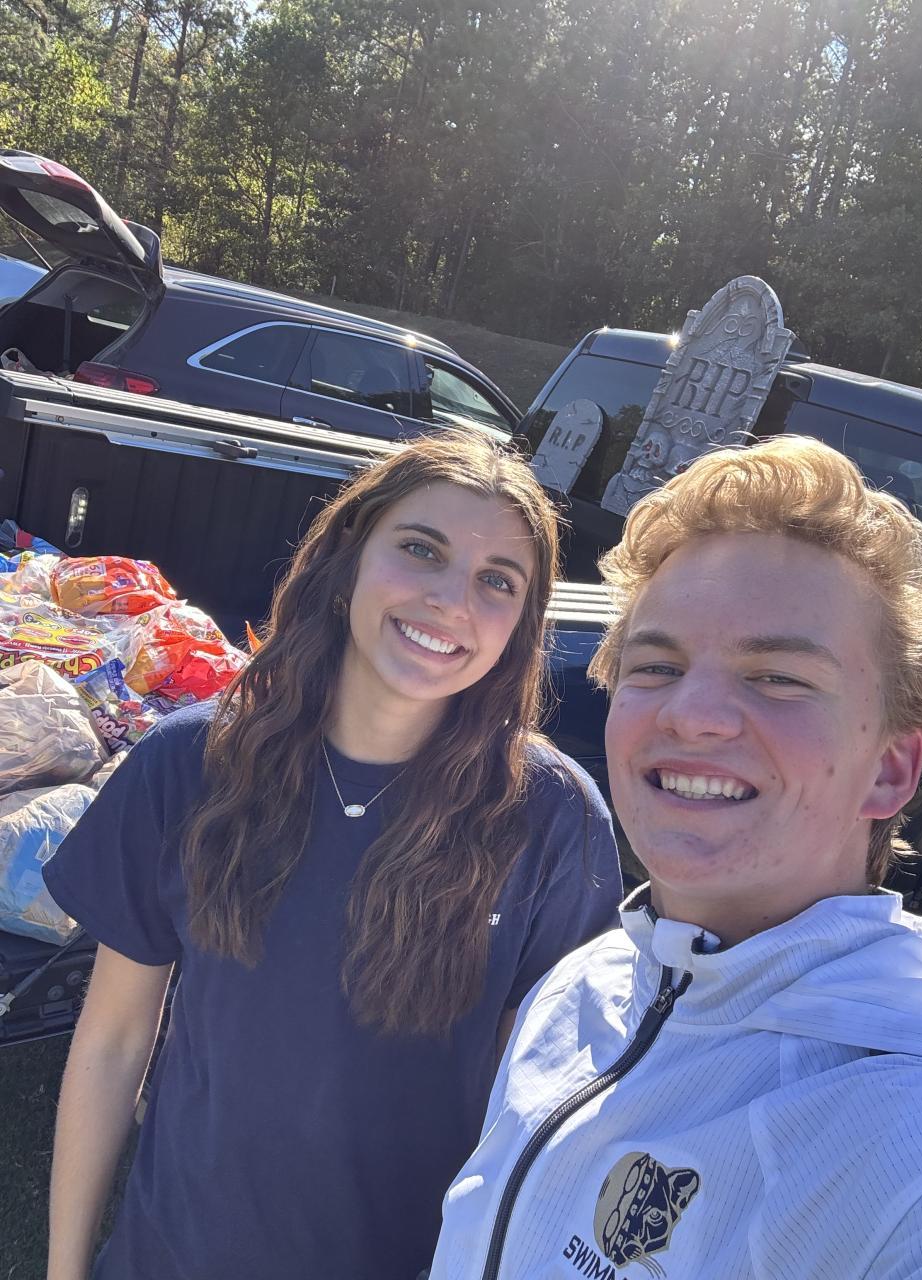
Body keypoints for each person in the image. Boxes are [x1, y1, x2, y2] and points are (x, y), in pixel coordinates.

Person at [41, 430, 623, 1280]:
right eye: (421, 549)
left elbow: (533, 1119)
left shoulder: (552, 819)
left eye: (498, 580)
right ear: (348, 557)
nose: (451, 600)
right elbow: (113, 1042)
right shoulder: (190, 764)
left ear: (521, 624)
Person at [429, 435, 922, 1280]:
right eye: (657, 665)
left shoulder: (914, 1137)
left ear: (891, 769)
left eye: (778, 677)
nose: (693, 712)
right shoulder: (581, 988)